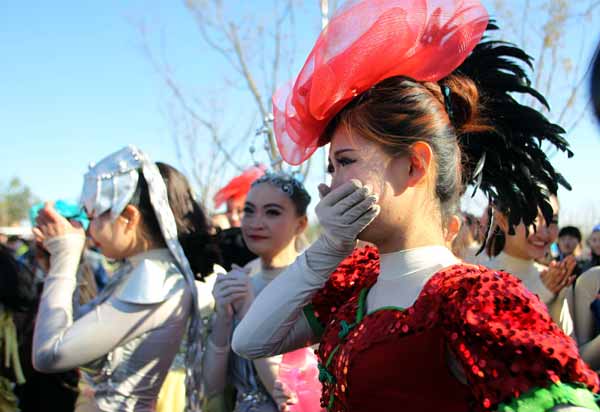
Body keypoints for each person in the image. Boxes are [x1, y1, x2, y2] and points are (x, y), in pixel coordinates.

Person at [232, 1, 599, 410]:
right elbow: (251, 340)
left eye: (346, 162)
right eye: (332, 167)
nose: (330, 185)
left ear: (414, 165)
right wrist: (327, 248)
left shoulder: (474, 298)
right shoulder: (354, 282)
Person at [32, 146, 221, 412]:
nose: (88, 227)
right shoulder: (137, 270)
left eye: (94, 216)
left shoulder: (157, 279)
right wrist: (56, 264)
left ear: (129, 217)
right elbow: (70, 330)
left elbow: (48, 355)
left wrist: (65, 257)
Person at [203, 172, 311, 412]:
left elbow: (293, 397)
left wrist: (249, 313)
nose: (255, 222)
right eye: (249, 211)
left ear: (301, 224)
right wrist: (222, 318)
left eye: (272, 212)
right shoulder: (243, 277)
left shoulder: (313, 283)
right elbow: (213, 387)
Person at [479, 195, 575, 334]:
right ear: (502, 220)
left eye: (552, 220)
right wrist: (539, 295)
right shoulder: (478, 276)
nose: (544, 232)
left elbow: (573, 351)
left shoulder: (556, 280)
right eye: (532, 219)